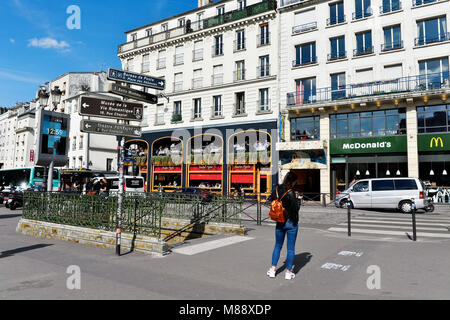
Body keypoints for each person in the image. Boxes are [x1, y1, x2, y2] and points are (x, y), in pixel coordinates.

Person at [267, 171, 301, 280]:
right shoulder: (291, 193)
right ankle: (288, 272)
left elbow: (270, 200)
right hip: (291, 223)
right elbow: (295, 209)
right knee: (290, 249)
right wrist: (299, 200)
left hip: (280, 221)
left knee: (277, 245)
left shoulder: (277, 189)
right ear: (293, 181)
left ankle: (272, 270)